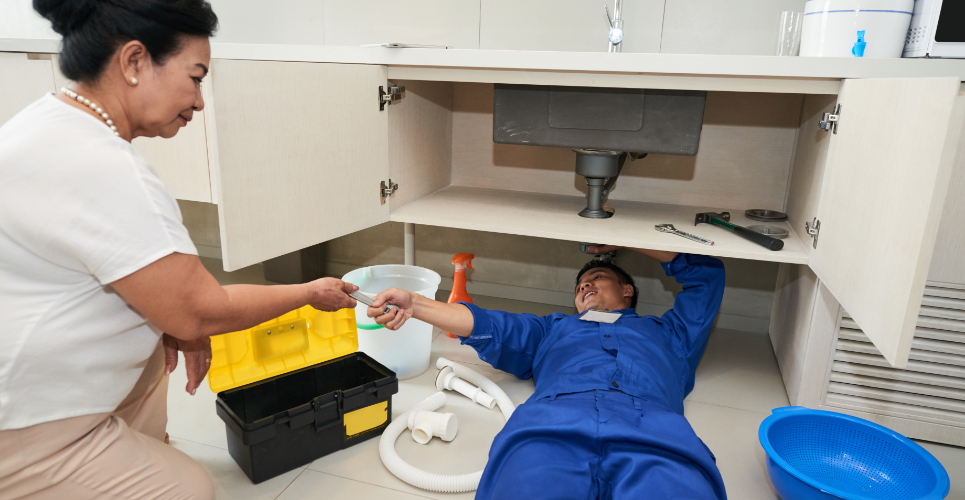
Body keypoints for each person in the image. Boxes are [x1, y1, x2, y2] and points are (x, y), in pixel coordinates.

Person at [0, 1, 358, 499]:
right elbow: (201, 312)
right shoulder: (105, 167)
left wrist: (172, 322)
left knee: (157, 344)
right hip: (20, 418)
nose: (200, 100)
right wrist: (309, 292)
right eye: (195, 77)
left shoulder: (46, 123)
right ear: (134, 62)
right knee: (190, 488)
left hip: (25, 365)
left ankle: (120, 450)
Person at [369, 247, 728, 499]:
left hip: (656, 436)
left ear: (628, 290)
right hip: (550, 430)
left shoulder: (672, 333)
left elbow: (707, 273)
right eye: (580, 285)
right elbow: (489, 324)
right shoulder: (552, 329)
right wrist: (415, 304)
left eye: (597, 277)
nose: (585, 285)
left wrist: (624, 240)